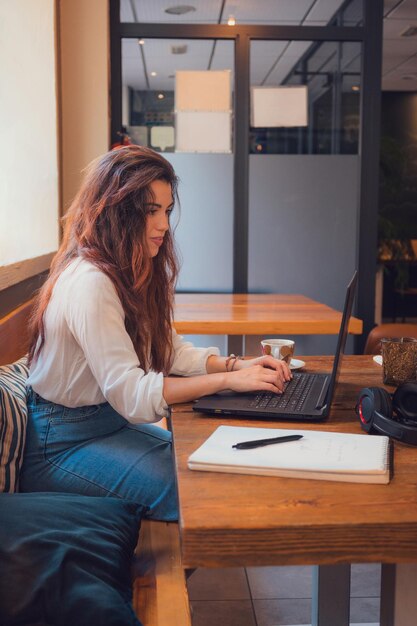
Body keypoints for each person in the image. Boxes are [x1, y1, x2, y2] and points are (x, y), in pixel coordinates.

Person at [20, 146, 291, 521]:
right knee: (196, 492)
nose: (164, 225)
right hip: (62, 443)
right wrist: (230, 379)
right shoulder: (92, 283)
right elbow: (132, 395)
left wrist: (237, 364)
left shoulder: (128, 270)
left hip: (107, 424)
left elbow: (169, 352)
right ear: (117, 212)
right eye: (150, 212)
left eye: (166, 210)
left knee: (213, 463)